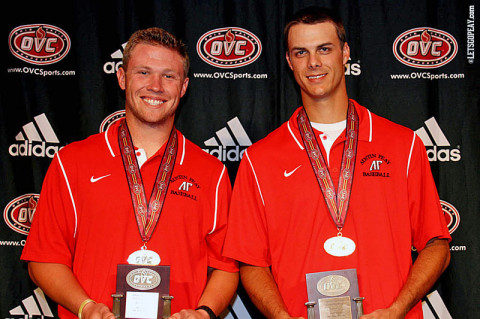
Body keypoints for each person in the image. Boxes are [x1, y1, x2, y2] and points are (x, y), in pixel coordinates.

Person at [223, 6, 450, 319]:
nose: (313, 62)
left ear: (345, 53)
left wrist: (397, 309)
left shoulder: (403, 145)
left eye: (324, 49)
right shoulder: (259, 159)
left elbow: (436, 244)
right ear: (289, 62)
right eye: (300, 52)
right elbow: (251, 261)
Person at [21, 27, 238, 319]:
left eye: (169, 76)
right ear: (122, 78)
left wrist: (203, 312)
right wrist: (85, 308)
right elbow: (43, 259)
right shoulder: (71, 162)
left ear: (184, 87)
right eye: (143, 72)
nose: (156, 86)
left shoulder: (212, 173)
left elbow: (226, 266)